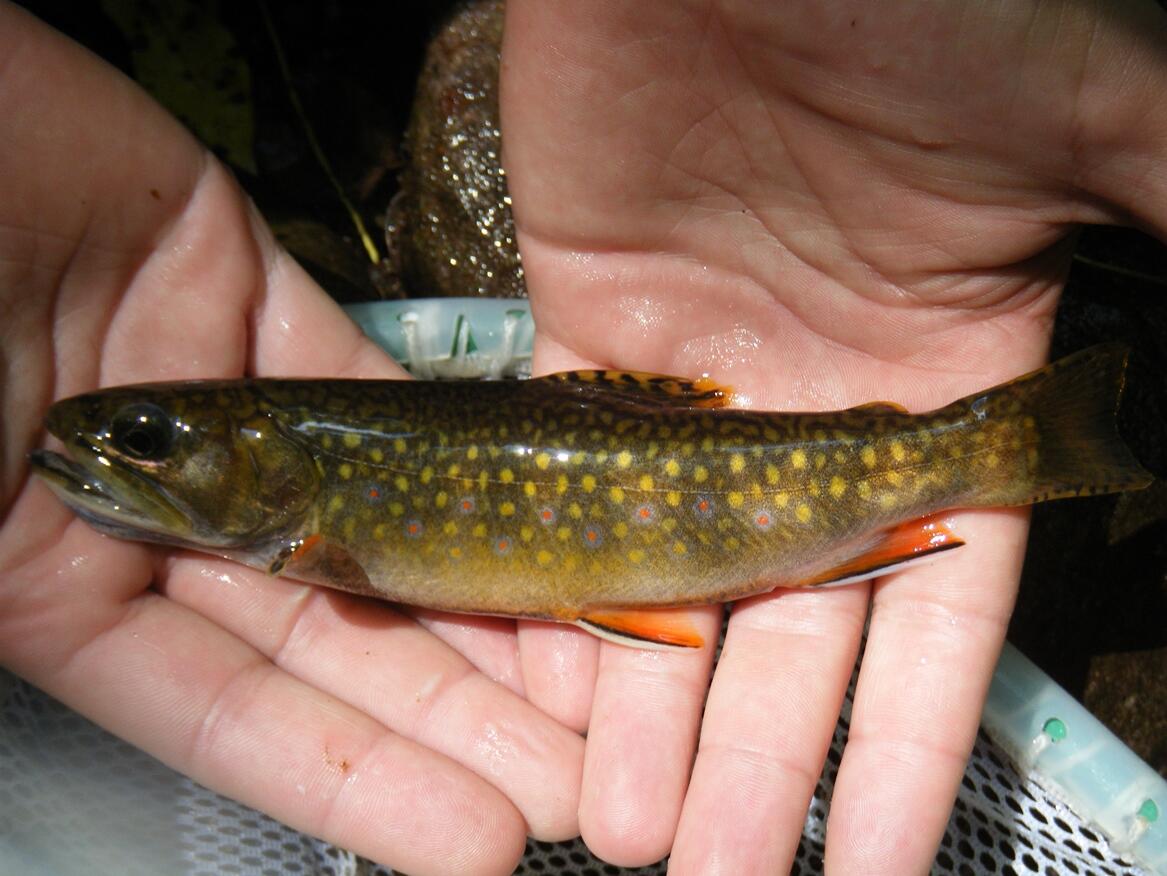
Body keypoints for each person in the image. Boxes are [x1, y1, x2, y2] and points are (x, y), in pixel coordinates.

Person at [1, 1, 1163, 873]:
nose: (117, 455)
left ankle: (1026, 444)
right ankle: (1016, 446)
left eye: (147, 437)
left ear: (264, 454)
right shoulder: (305, 507)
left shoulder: (318, 515)